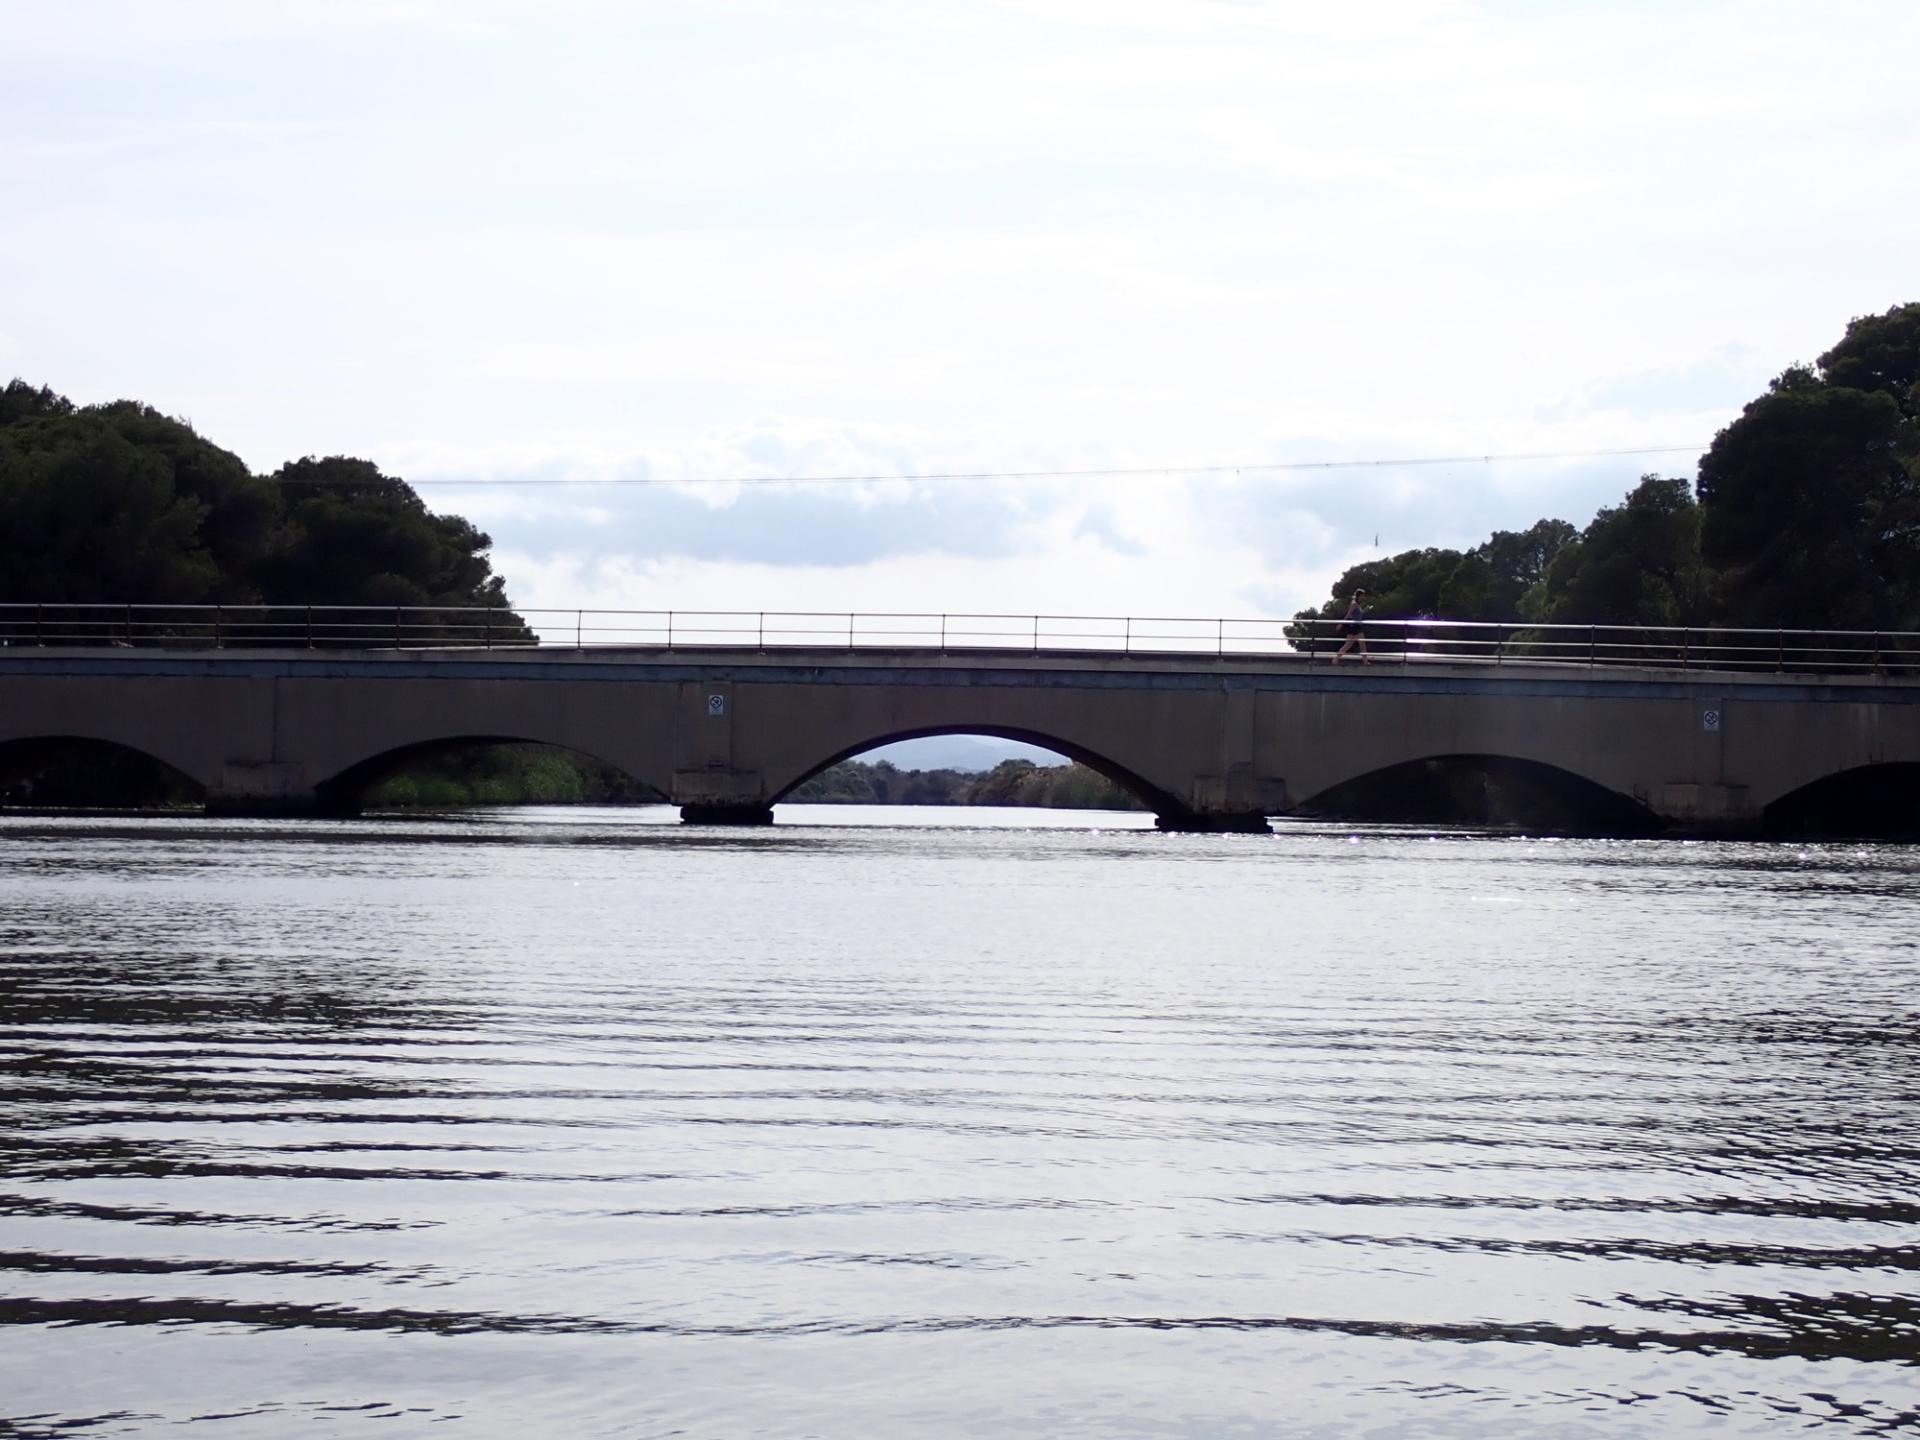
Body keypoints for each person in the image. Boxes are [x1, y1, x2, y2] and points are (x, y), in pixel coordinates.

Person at [1333, 588, 1370, 664]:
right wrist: (1341, 624)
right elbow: (1348, 614)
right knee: (1361, 644)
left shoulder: (1357, 605)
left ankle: (1336, 659)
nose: (1363, 598)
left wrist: (1365, 610)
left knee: (1348, 645)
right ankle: (1365, 661)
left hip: (1356, 626)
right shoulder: (1354, 604)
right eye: (1362, 596)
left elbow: (1358, 615)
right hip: (1355, 627)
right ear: (1359, 596)